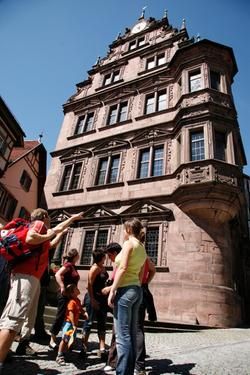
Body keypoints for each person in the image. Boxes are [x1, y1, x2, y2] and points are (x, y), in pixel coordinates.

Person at [0, 208, 83, 372]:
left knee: (22, 318)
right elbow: (32, 238)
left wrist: (61, 231)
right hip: (26, 276)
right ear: (44, 217)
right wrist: (62, 225)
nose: (51, 222)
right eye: (49, 219)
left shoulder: (40, 229)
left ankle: (16, 347)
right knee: (13, 319)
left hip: (31, 278)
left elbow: (50, 244)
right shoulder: (38, 224)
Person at [108, 218, 147, 375]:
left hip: (125, 291)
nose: (123, 232)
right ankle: (128, 371)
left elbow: (123, 268)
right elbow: (141, 272)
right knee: (130, 333)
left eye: (124, 229)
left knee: (122, 336)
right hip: (136, 290)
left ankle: (122, 372)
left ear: (129, 230)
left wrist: (112, 289)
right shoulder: (142, 247)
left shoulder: (128, 244)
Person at [49, 248, 80, 349]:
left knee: (68, 317)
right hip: (64, 295)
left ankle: (66, 339)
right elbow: (57, 274)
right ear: (75, 256)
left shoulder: (73, 266)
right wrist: (62, 286)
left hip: (70, 295)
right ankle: (52, 340)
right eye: (78, 255)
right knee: (60, 316)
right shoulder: (68, 265)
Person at [81, 249, 108, 359]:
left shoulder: (102, 267)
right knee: (89, 322)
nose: (105, 258)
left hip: (102, 299)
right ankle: (84, 347)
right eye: (104, 256)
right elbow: (89, 285)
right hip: (93, 298)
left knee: (102, 323)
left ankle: (102, 349)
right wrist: (92, 299)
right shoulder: (94, 268)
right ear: (101, 257)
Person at [56, 284, 88, 366]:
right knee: (65, 339)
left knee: (70, 340)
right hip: (69, 324)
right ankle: (59, 356)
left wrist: (85, 313)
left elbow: (80, 309)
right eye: (76, 288)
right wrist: (73, 324)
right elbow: (71, 314)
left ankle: (65, 353)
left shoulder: (77, 300)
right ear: (72, 293)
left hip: (73, 324)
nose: (78, 289)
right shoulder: (71, 302)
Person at [102, 242, 122, 373]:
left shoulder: (120, 263)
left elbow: (121, 280)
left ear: (115, 253)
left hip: (120, 300)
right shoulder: (118, 263)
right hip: (120, 299)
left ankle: (113, 361)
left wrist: (110, 288)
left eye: (109, 255)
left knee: (117, 331)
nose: (109, 258)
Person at [135, 256, 156, 375]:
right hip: (142, 290)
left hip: (133, 289)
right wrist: (146, 282)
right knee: (139, 328)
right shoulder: (146, 258)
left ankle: (137, 364)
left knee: (134, 329)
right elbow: (153, 270)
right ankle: (140, 365)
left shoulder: (135, 255)